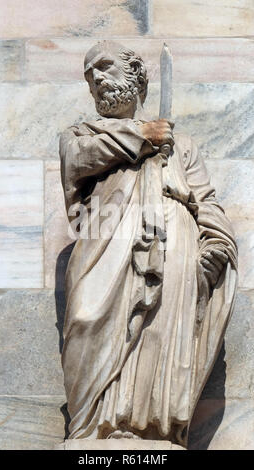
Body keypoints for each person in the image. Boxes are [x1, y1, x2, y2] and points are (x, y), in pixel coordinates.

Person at [59, 40, 237, 447]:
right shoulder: (80, 135)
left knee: (156, 334)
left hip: (173, 242)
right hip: (106, 243)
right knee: (87, 318)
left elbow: (207, 203)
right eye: (89, 77)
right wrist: (143, 135)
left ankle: (149, 431)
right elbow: (79, 160)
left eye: (104, 67)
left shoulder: (182, 146)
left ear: (135, 73)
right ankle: (90, 429)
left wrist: (215, 246)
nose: (97, 80)